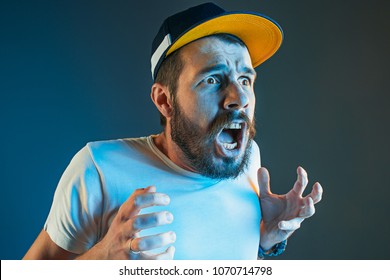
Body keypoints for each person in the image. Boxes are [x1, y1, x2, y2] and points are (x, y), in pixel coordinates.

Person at [23, 2, 323, 260]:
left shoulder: (247, 159)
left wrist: (266, 240)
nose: (240, 99)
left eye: (245, 79)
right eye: (213, 80)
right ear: (165, 100)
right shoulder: (98, 169)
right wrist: (102, 259)